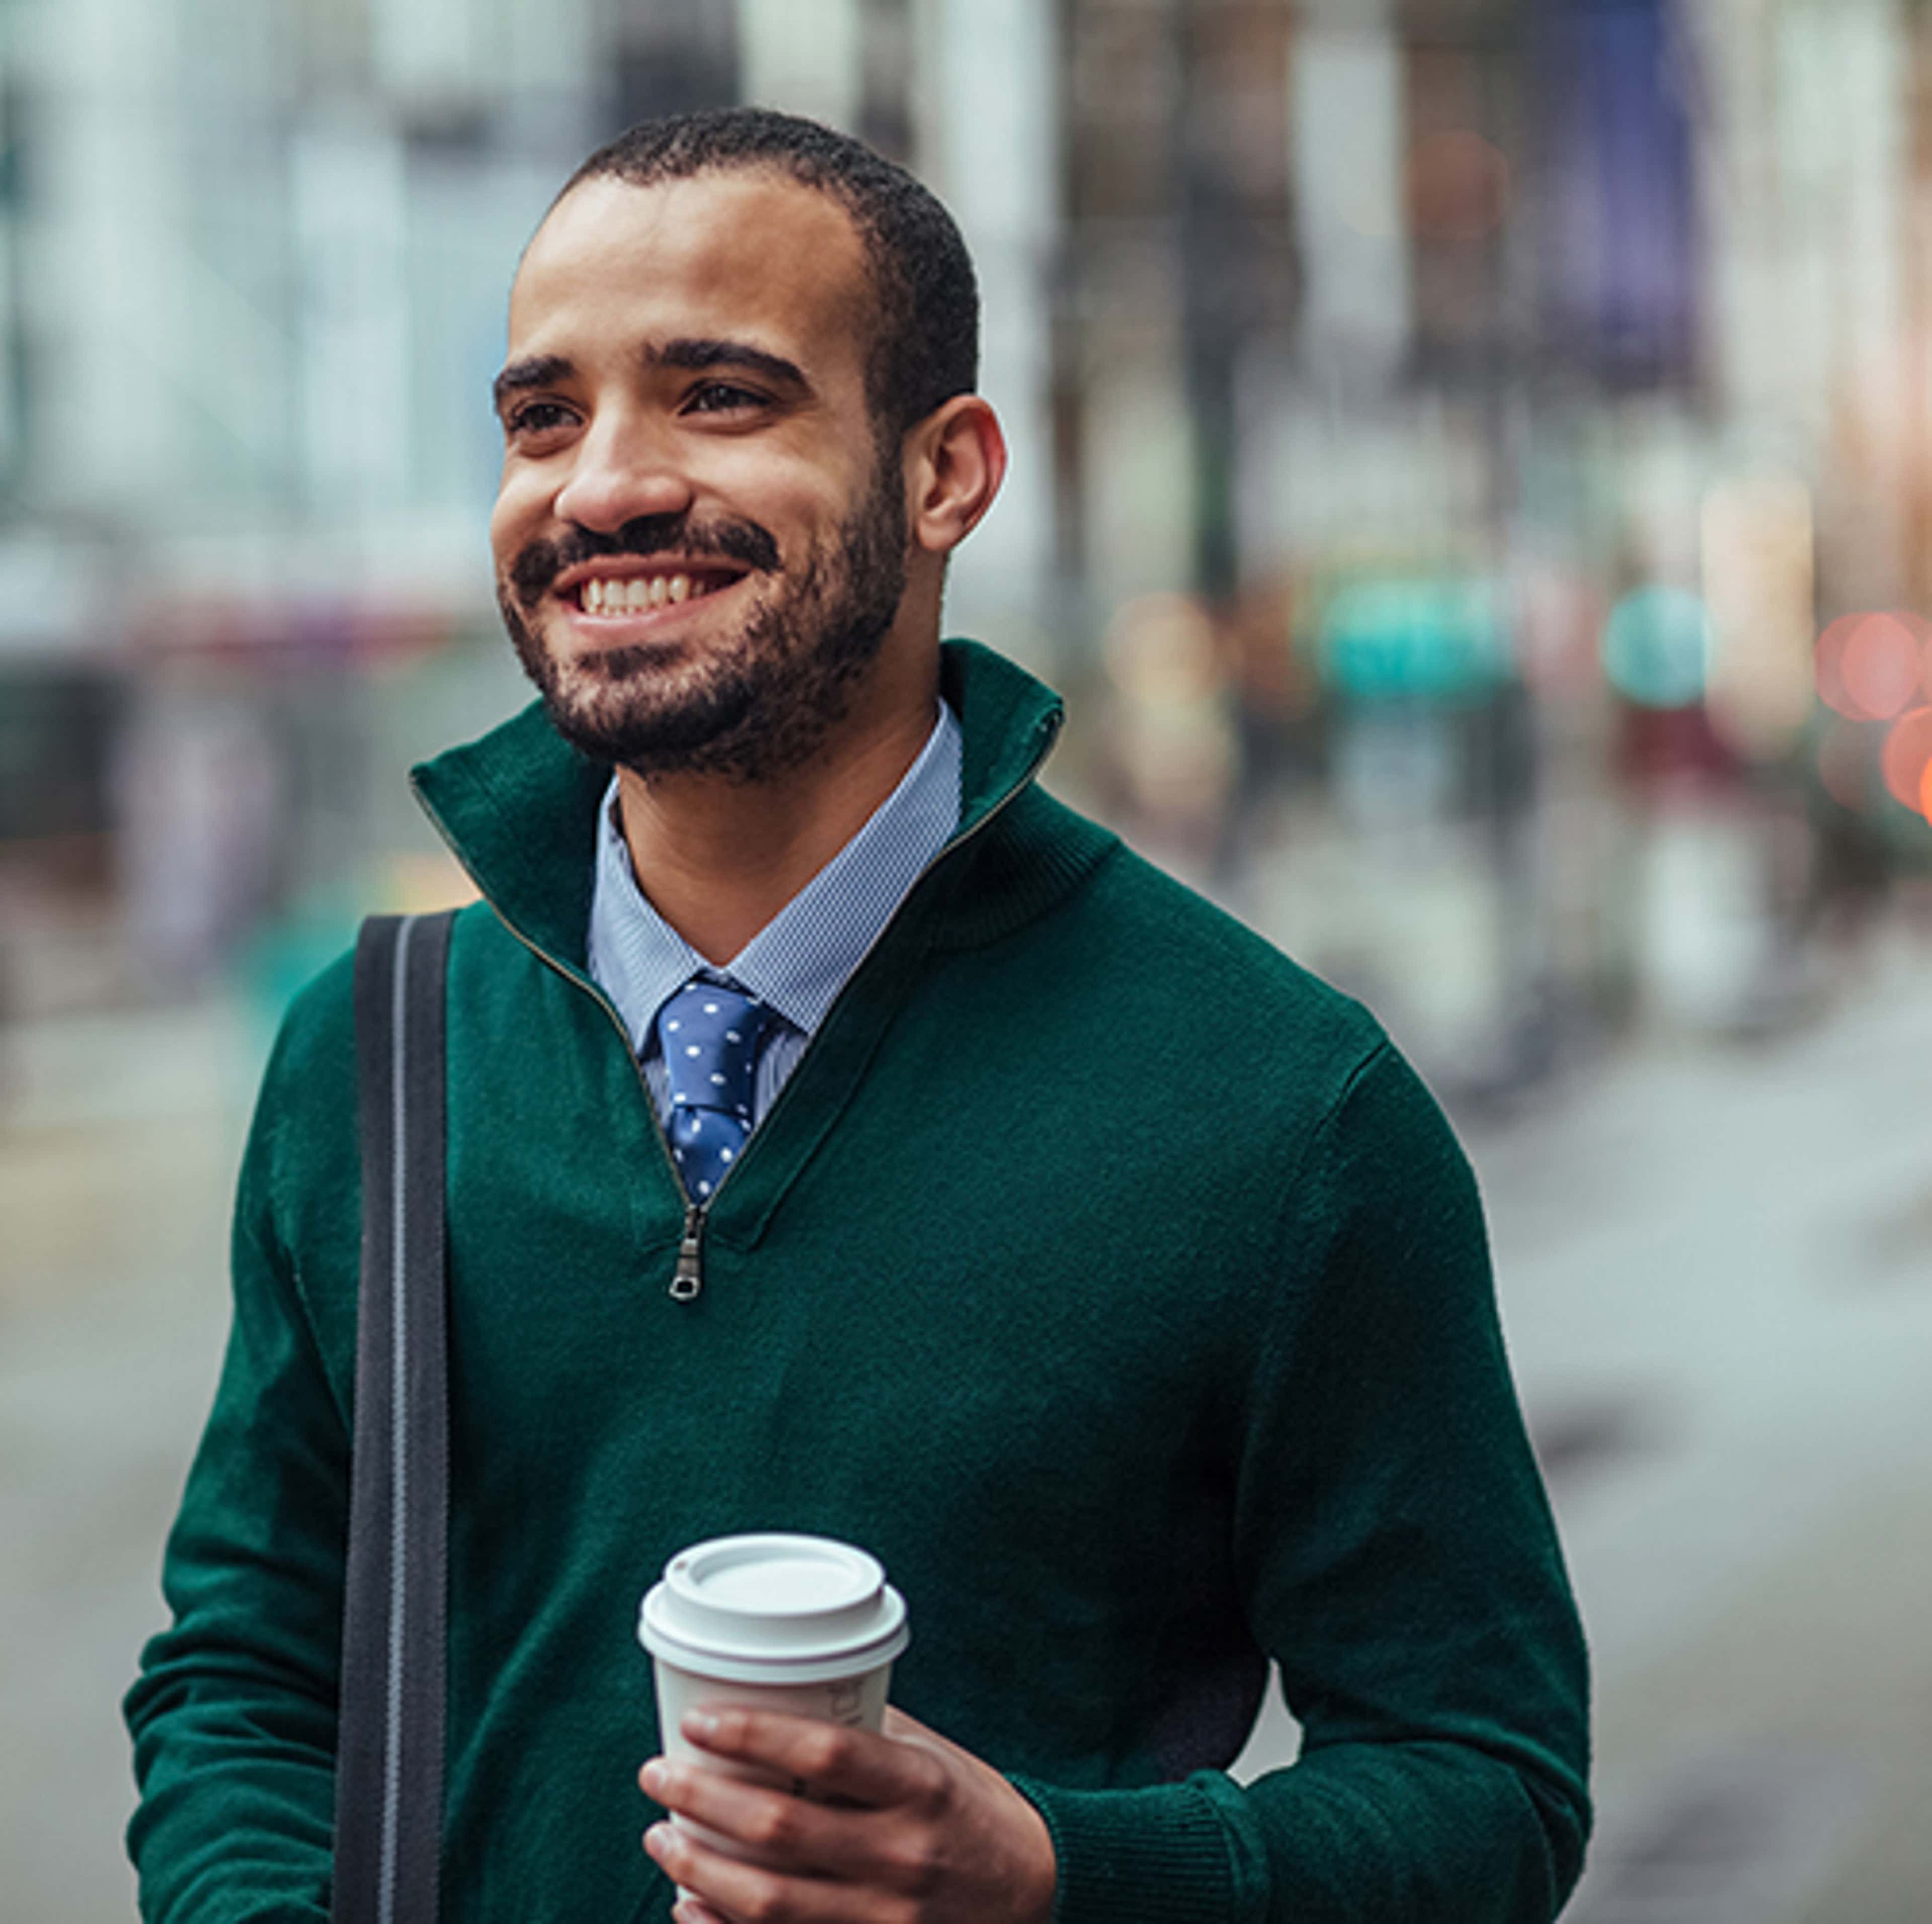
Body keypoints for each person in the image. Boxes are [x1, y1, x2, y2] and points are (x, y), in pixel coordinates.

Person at [125, 108, 1590, 1924]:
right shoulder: (375, 1051)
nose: (602, 487)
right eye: (541, 415)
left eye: (719, 395)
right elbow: (248, 1679)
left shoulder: (1285, 1107)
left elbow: (1489, 1785)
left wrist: (1061, 1877)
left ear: (948, 472)